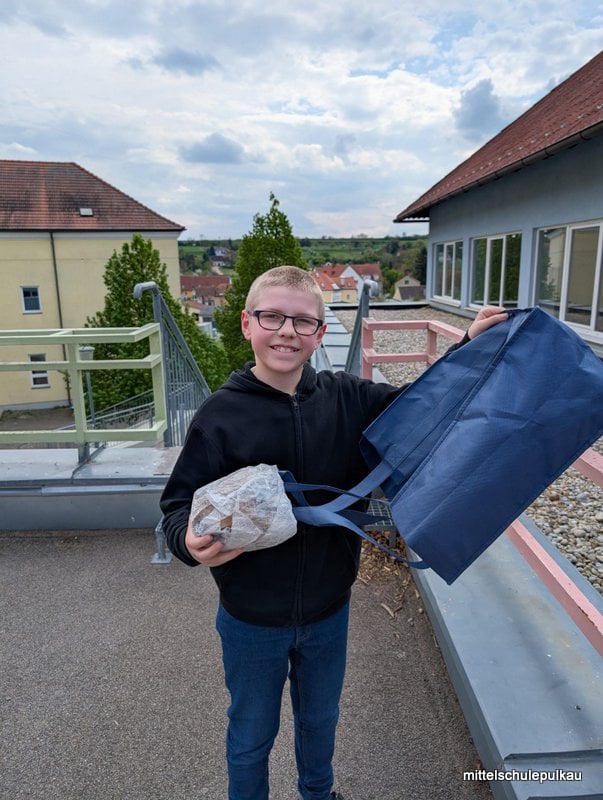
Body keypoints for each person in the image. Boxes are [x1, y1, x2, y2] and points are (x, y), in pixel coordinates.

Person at [160, 265, 507, 800]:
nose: (287, 331)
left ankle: (318, 795)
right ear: (247, 324)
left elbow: (422, 404)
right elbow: (176, 505)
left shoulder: (350, 398)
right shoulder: (219, 416)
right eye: (272, 317)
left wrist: (469, 347)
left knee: (320, 723)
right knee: (251, 734)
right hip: (251, 617)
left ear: (320, 333)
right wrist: (187, 541)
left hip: (328, 609)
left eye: (303, 321)